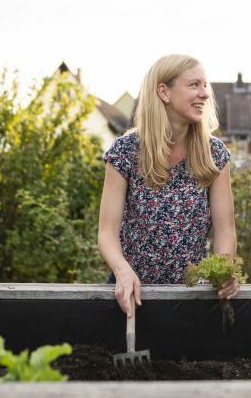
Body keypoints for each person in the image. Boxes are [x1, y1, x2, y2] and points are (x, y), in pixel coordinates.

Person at [98, 54, 239, 316]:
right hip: (132, 292)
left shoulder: (214, 154)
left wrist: (224, 271)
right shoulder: (125, 151)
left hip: (193, 295)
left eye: (204, 85)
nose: (205, 94)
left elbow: (225, 230)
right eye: (194, 85)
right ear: (164, 91)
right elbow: (107, 233)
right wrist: (122, 270)